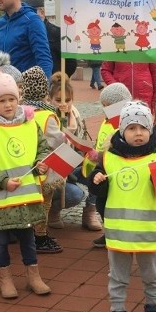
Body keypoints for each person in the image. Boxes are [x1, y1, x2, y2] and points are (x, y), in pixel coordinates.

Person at [92, 102, 156, 312]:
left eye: (143, 128)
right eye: (132, 128)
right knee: (118, 276)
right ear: (122, 130)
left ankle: (153, 308)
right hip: (119, 231)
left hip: (148, 230)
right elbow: (100, 196)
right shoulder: (108, 159)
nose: (138, 133)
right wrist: (97, 180)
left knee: (151, 275)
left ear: (151, 131)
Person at [0, 72, 52, 298]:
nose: (8, 105)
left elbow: (42, 148)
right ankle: (5, 279)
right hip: (2, 195)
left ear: (18, 98)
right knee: (1, 240)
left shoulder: (30, 123)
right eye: (1, 100)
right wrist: (2, 181)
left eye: (11, 99)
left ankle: (33, 276)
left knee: (28, 237)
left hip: (26, 194)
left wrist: (41, 163)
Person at [19, 65, 69, 253]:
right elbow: (58, 141)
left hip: (25, 166)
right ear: (44, 90)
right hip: (45, 167)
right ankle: (40, 237)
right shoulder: (48, 115)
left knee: (28, 202)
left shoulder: (20, 112)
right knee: (43, 204)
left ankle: (26, 232)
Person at [84, 82, 134, 248]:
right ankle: (110, 232)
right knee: (101, 203)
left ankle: (117, 233)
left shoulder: (125, 123)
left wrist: (98, 154)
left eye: (107, 106)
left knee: (111, 205)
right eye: (103, 105)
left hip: (116, 171)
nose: (104, 109)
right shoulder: (107, 121)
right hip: (102, 170)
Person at [49, 71, 99, 230]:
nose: (63, 104)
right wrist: (61, 120)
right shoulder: (47, 119)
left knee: (98, 173)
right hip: (54, 171)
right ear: (50, 100)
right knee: (74, 195)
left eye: (68, 100)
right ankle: (52, 211)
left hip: (73, 166)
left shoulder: (76, 117)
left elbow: (80, 145)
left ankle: (90, 211)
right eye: (58, 100)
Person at [0, 0, 52, 75]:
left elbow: (44, 58)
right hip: (4, 86)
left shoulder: (32, 20)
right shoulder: (0, 22)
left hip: (25, 87)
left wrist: (43, 88)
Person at [23, 0, 77, 78]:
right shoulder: (24, 33)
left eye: (30, 12)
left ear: (42, 12)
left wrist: (58, 79)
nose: (27, 16)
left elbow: (71, 63)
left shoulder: (58, 33)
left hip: (53, 85)